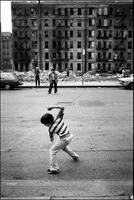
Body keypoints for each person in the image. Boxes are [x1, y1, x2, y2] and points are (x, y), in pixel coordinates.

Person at [40, 106, 79, 174]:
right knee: (63, 147)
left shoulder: (50, 129)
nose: (44, 125)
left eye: (45, 124)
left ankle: (54, 169)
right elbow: (62, 108)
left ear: (48, 123)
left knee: (52, 151)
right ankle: (75, 156)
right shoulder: (58, 118)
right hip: (70, 136)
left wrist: (51, 138)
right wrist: (52, 107)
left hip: (64, 139)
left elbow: (51, 139)